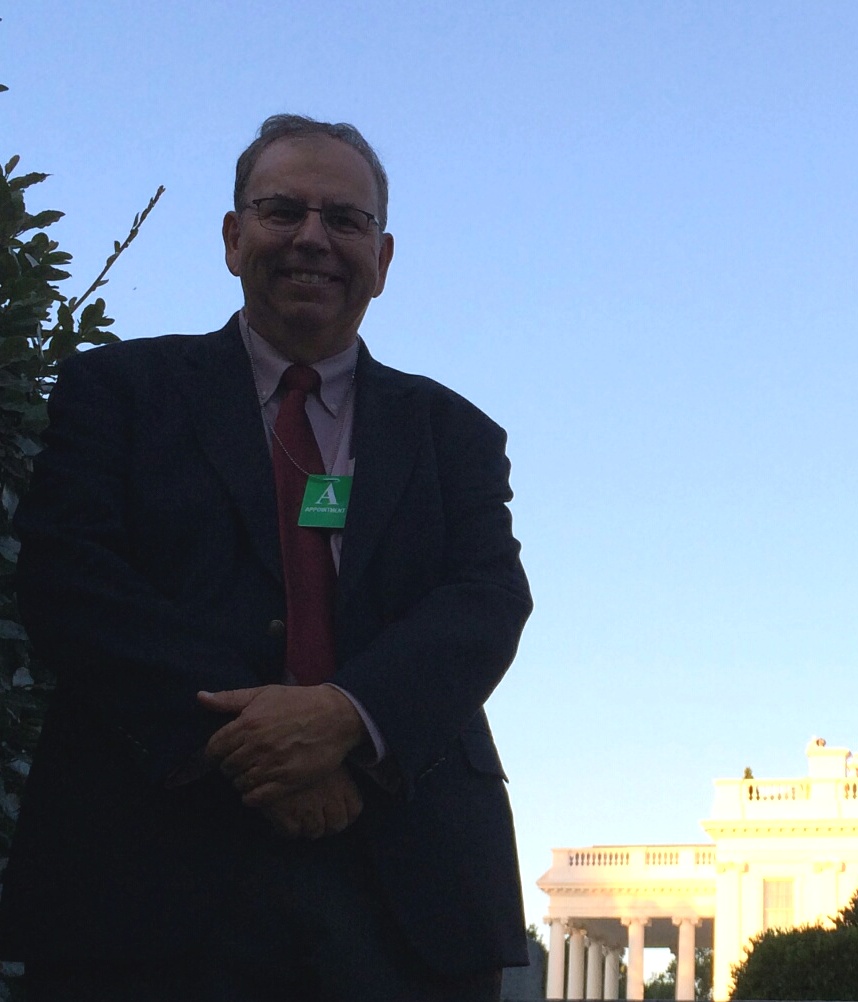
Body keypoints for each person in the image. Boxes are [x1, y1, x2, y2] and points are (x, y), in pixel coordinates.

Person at [0, 114, 532, 1001]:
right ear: (232, 236)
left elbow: (485, 602)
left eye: (346, 220)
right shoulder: (118, 394)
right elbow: (70, 581)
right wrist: (258, 743)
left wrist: (347, 720)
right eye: (284, 210)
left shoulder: (456, 435)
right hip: (144, 873)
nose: (314, 239)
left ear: (384, 257)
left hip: (405, 885)